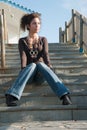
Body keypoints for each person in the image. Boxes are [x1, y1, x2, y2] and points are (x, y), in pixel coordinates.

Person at [5, 13, 72, 106]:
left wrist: (49, 66)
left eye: (39, 23)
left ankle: (65, 95)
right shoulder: (22, 41)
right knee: (32, 65)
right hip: (29, 74)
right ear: (28, 25)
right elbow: (23, 56)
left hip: (41, 75)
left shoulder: (43, 39)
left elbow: (45, 54)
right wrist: (23, 69)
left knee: (40, 64)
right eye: (34, 23)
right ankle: (11, 95)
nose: (37, 26)